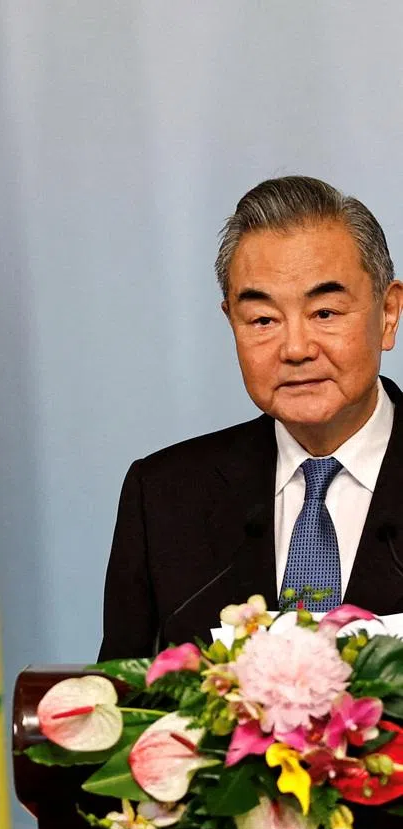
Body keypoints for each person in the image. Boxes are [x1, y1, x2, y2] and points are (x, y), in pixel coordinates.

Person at [101, 175, 403, 659]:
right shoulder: (165, 496)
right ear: (232, 323)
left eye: (325, 312)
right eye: (263, 320)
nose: (297, 349)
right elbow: (123, 706)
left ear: (388, 314)